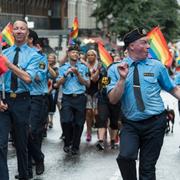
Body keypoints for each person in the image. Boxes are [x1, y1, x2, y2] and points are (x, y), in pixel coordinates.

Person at [107, 28, 180, 180]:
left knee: (147, 168)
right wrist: (122, 79)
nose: (148, 47)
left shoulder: (157, 66)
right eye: (144, 43)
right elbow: (113, 99)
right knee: (125, 157)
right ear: (132, 46)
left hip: (155, 123)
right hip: (131, 124)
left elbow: (172, 88)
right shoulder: (115, 69)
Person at [0, 20, 40, 180]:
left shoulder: (34, 55)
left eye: (22, 28)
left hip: (22, 101)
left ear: (27, 33)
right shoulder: (4, 53)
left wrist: (9, 64)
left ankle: (24, 174)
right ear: (12, 32)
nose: (18, 31)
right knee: (1, 144)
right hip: (4, 100)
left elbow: (28, 78)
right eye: (15, 28)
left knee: (21, 144)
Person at [56, 44, 90, 155]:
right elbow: (57, 84)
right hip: (67, 98)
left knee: (79, 124)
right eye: (73, 52)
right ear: (69, 54)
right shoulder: (63, 67)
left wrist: (77, 74)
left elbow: (87, 83)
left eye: (77, 52)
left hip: (80, 97)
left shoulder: (83, 67)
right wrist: (66, 74)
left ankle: (75, 145)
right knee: (66, 121)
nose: (75, 54)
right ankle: (67, 141)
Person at [85, 49, 99, 142]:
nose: (90, 56)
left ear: (95, 56)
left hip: (98, 91)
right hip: (87, 91)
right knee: (88, 112)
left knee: (97, 113)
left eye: (92, 55)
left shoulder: (100, 65)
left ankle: (100, 131)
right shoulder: (84, 66)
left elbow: (97, 79)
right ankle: (89, 132)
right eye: (88, 55)